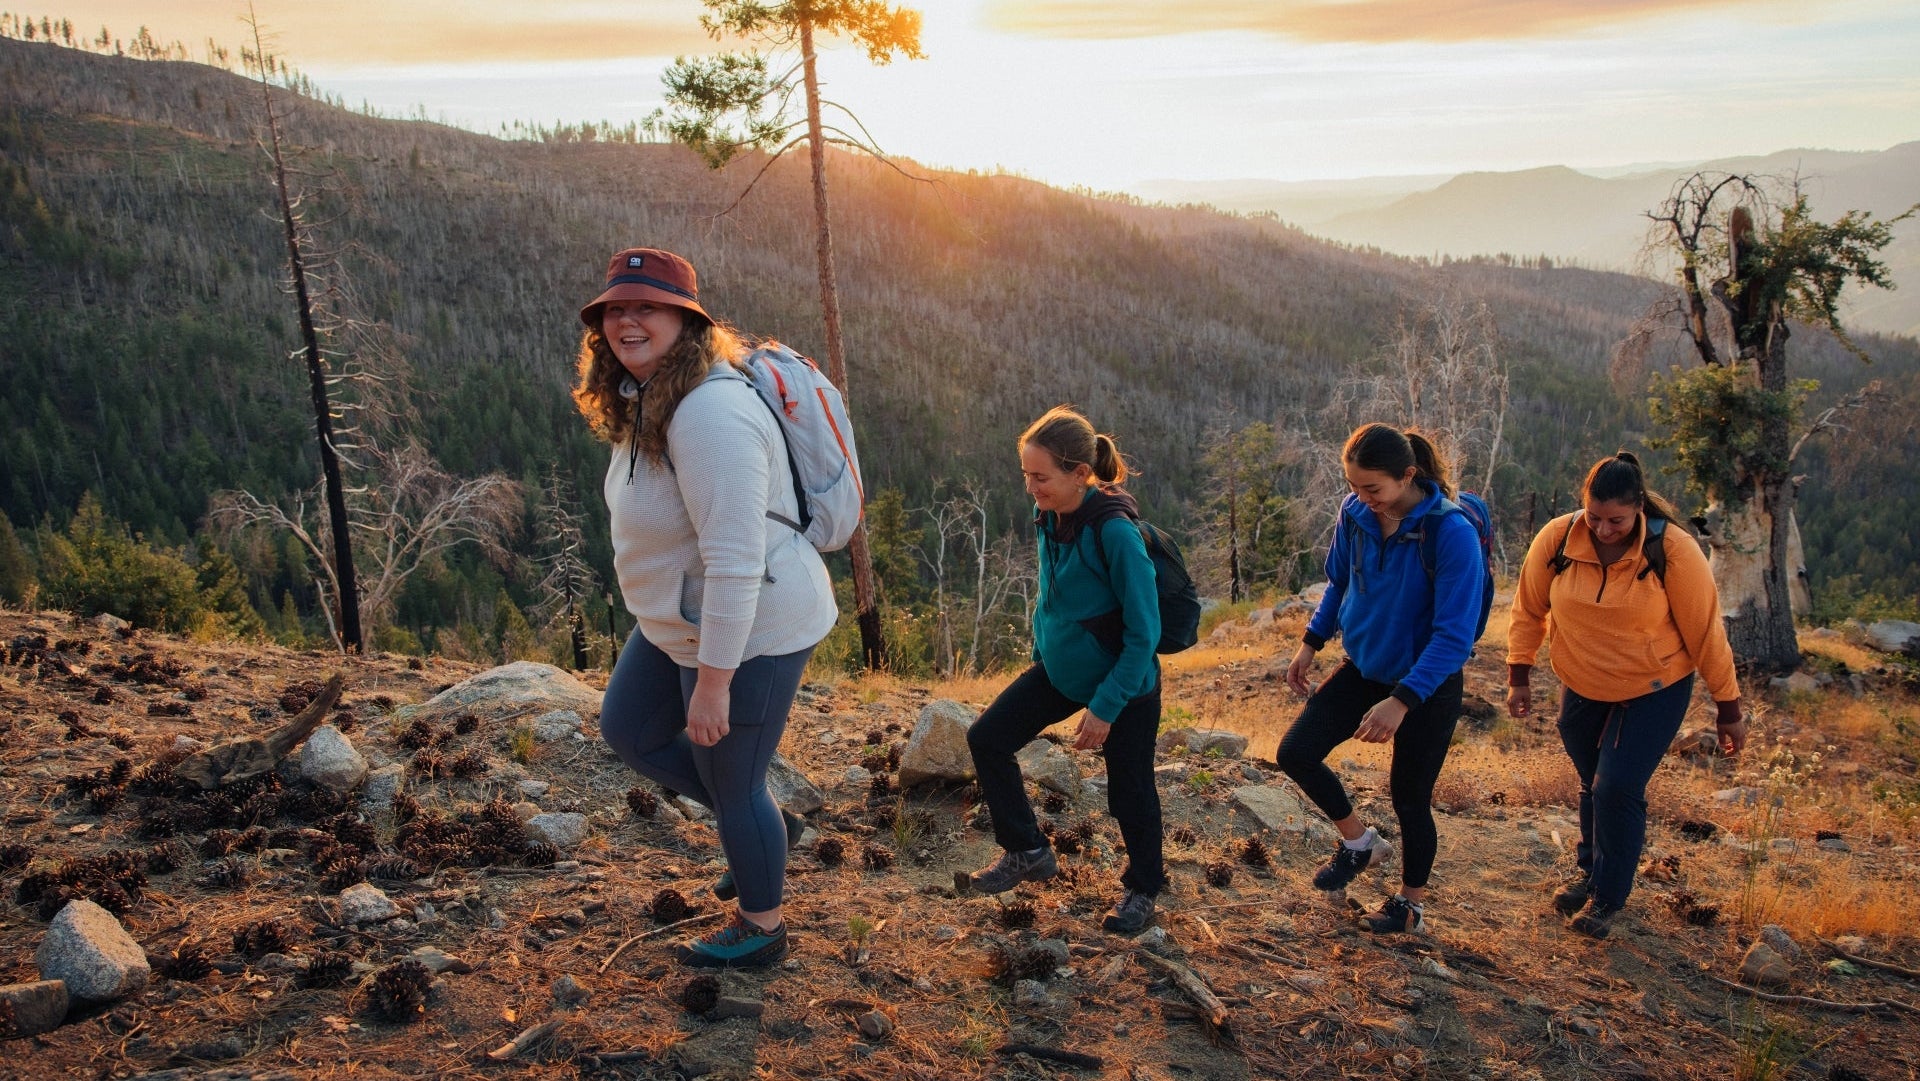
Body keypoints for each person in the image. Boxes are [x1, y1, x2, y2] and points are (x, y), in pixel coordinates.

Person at [576, 247, 837, 968]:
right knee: (629, 727)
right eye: (616, 309)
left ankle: (762, 927)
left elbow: (734, 559)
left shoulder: (708, 414)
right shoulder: (649, 394)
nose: (628, 320)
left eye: (647, 307)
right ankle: (760, 824)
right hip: (679, 622)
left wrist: (716, 681)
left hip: (750, 626)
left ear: (686, 321)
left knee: (733, 777)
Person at [1506, 451, 1745, 938]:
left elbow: (1705, 633)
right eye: (1593, 516)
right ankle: (1591, 873)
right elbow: (1529, 608)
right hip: (1583, 681)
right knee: (1595, 780)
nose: (1603, 528)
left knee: (1616, 787)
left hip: (1654, 686)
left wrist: (1728, 708)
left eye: (1615, 519)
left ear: (1639, 507)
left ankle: (1606, 898)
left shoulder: (1672, 550)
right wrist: (1519, 673)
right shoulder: (1558, 538)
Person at [964, 405, 1166, 934]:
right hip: (1064, 668)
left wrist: (1106, 707)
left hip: (1125, 683)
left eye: (1042, 477)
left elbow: (1145, 634)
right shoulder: (1051, 515)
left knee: (1130, 792)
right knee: (988, 738)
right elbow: (1049, 596)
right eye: (1026, 475)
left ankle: (1143, 888)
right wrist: (1041, 649)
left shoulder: (1117, 533)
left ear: (1081, 474)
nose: (1031, 487)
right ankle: (1027, 850)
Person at [1277, 424, 1483, 935]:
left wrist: (1402, 701)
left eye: (1374, 489)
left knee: (1409, 797)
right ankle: (1358, 842)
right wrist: (1311, 641)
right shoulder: (1355, 516)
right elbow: (1339, 583)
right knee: (1296, 751)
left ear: (1409, 475)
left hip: (1426, 684)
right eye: (1353, 486)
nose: (1362, 498)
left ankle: (1409, 905)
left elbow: (1454, 637)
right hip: (1364, 668)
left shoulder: (1451, 533)